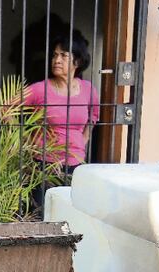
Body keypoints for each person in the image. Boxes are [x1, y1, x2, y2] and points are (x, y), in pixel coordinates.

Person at [23, 29, 100, 210]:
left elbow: (93, 117)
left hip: (76, 165)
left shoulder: (88, 90)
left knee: (72, 214)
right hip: (44, 165)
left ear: (78, 61)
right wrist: (27, 141)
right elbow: (6, 108)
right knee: (43, 215)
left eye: (64, 55)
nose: (56, 60)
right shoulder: (40, 89)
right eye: (54, 55)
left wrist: (84, 139)